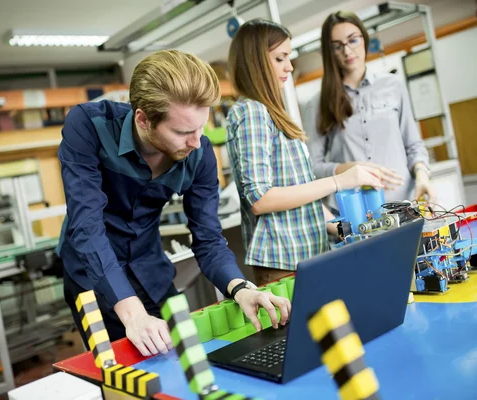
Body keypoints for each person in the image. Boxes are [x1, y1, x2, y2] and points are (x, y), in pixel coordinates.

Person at [57, 49, 291, 357]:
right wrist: (133, 314)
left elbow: (208, 240)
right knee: (126, 380)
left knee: (186, 361)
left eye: (201, 127)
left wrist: (240, 287)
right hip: (91, 277)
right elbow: (87, 227)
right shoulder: (89, 126)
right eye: (183, 131)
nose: (196, 142)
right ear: (143, 119)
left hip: (150, 270)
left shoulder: (200, 152)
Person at [225, 19, 383, 286]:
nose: (289, 66)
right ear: (256, 61)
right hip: (283, 263)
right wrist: (338, 181)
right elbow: (260, 198)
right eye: (280, 58)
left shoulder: (274, 114)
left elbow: (300, 193)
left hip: (308, 254)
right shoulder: (252, 113)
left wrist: (350, 229)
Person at [303, 10, 435, 210]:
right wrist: (347, 169)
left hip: (405, 202)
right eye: (337, 47)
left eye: (352, 40)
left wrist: (422, 175)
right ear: (330, 52)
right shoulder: (318, 103)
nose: (347, 52)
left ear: (364, 39)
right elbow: (312, 167)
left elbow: (413, 146)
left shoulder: (393, 86)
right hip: (356, 212)